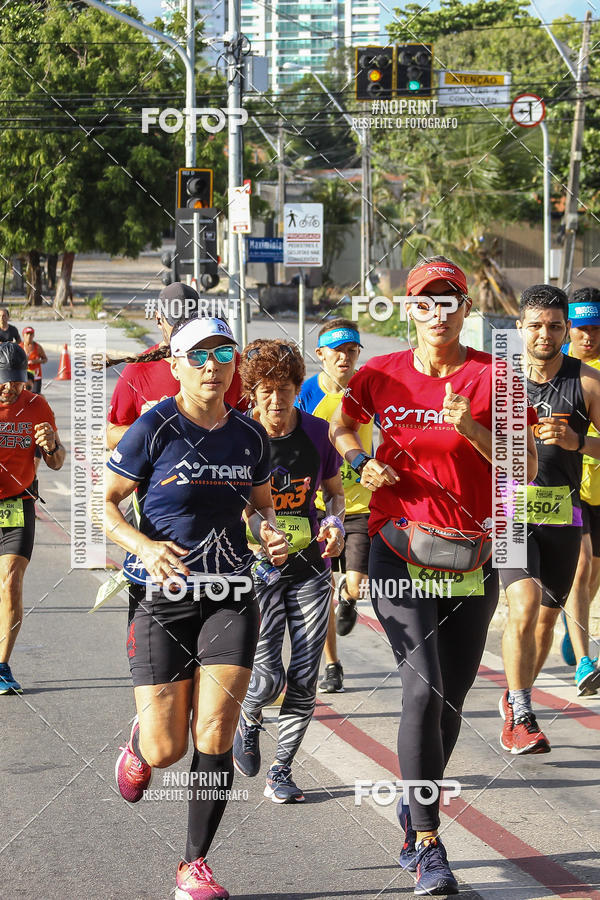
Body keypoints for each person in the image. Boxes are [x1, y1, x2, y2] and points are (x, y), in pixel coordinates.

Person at [330, 256, 537, 896]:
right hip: (398, 548)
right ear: (411, 311)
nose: (435, 311)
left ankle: (413, 800)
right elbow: (338, 421)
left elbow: (525, 466)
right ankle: (425, 841)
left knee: (449, 703)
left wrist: (468, 426)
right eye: (423, 301)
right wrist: (360, 458)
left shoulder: (493, 378)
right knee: (421, 691)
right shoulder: (378, 375)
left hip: (472, 558)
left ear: (464, 309)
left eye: (448, 299)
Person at [105, 316, 288, 900]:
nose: (214, 367)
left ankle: (194, 865)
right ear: (177, 364)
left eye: (223, 355)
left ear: (235, 365)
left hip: (231, 591)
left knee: (215, 730)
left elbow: (260, 508)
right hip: (163, 594)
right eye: (200, 357)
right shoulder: (154, 427)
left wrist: (270, 532)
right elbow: (104, 505)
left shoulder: (250, 435)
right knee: (167, 747)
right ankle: (139, 743)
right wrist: (143, 544)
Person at [233, 339, 345, 802]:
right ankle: (249, 715)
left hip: (310, 568)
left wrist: (336, 522)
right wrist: (261, 527)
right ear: (252, 393)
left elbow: (335, 492)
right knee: (267, 676)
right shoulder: (238, 434)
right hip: (257, 568)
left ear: (298, 389)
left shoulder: (319, 434)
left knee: (303, 673)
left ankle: (282, 769)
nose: (275, 399)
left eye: (284, 388)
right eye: (265, 389)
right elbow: (234, 502)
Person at [499, 285, 600, 753]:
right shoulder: (497, 379)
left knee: (543, 623)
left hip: (564, 514)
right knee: (521, 605)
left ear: (566, 330)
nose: (545, 334)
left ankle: (514, 696)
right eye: (536, 325)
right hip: (509, 512)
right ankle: (522, 715)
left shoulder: (587, 382)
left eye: (555, 325)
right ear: (520, 328)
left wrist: (578, 442)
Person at [297, 318, 373, 694]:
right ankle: (332, 664)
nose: (344, 358)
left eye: (351, 351)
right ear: (321, 354)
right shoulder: (307, 393)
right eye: (336, 351)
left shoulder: (367, 389)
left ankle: (350, 598)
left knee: (356, 585)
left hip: (358, 505)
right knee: (321, 588)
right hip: (315, 507)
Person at [106, 282, 244, 450]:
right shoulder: (137, 371)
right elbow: (112, 435)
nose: (182, 329)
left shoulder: (228, 362)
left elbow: (253, 421)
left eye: (189, 321)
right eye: (176, 322)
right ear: (158, 319)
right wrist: (147, 426)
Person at [0, 343, 65, 694]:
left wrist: (52, 444)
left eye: (16, 381)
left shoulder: (37, 406)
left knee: (10, 582)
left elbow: (56, 462)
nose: (9, 388)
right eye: (3, 381)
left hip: (17, 503)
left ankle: (1, 664)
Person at [562, 289, 600, 694]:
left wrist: (579, 440)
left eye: (595, 328)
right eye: (580, 328)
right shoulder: (559, 370)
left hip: (599, 488)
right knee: (582, 566)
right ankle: (585, 660)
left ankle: (573, 627)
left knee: (592, 578)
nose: (587, 336)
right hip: (568, 487)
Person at [20, 327, 47, 395]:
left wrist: (36, 361)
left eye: (31, 334)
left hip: (36, 376)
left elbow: (45, 359)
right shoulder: (19, 347)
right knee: (23, 394)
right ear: (23, 335)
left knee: (35, 395)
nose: (29, 336)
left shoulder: (37, 347)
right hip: (23, 376)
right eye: (27, 334)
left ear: (33, 335)